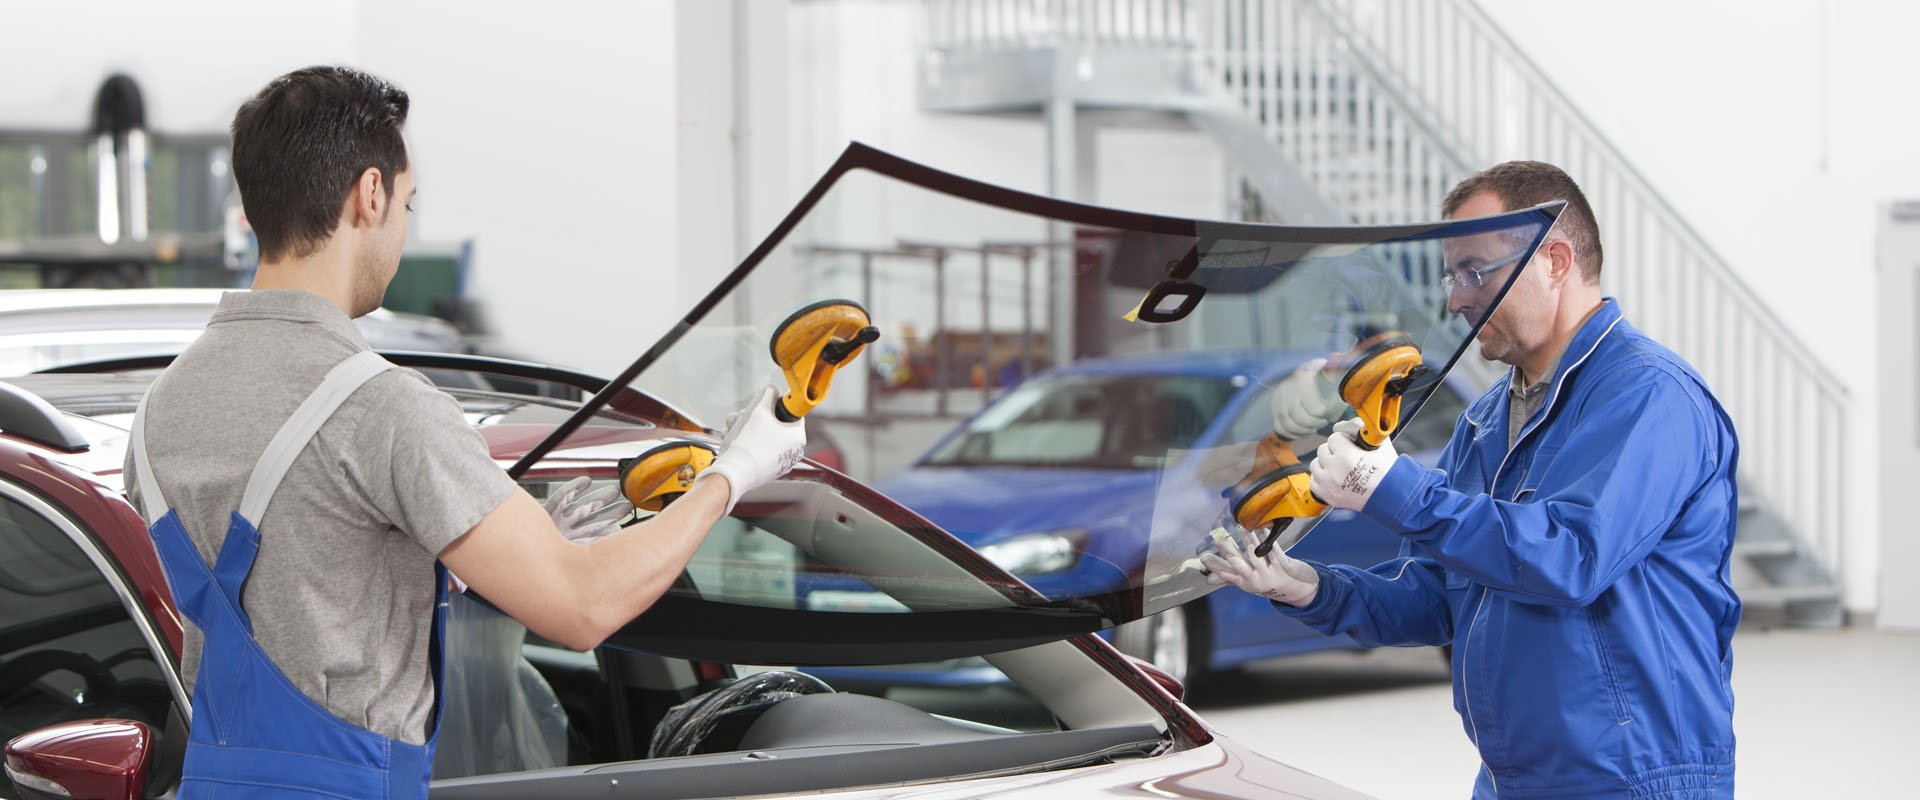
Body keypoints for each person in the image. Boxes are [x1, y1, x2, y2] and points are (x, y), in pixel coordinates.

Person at [123, 66, 803, 799]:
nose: (405, 224)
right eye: (408, 202)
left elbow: (293, 581)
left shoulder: (159, 412)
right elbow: (582, 610)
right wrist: (732, 472)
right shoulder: (381, 409)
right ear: (371, 194)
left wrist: (488, 548)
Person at [1203, 161, 1740, 798]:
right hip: (1511, 778)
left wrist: (1393, 488)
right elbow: (1437, 599)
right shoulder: (1487, 420)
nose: (1456, 298)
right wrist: (1311, 588)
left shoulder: (1649, 397)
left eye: (1475, 271)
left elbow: (1570, 557)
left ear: (1556, 262)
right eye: (1451, 276)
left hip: (1631, 780)